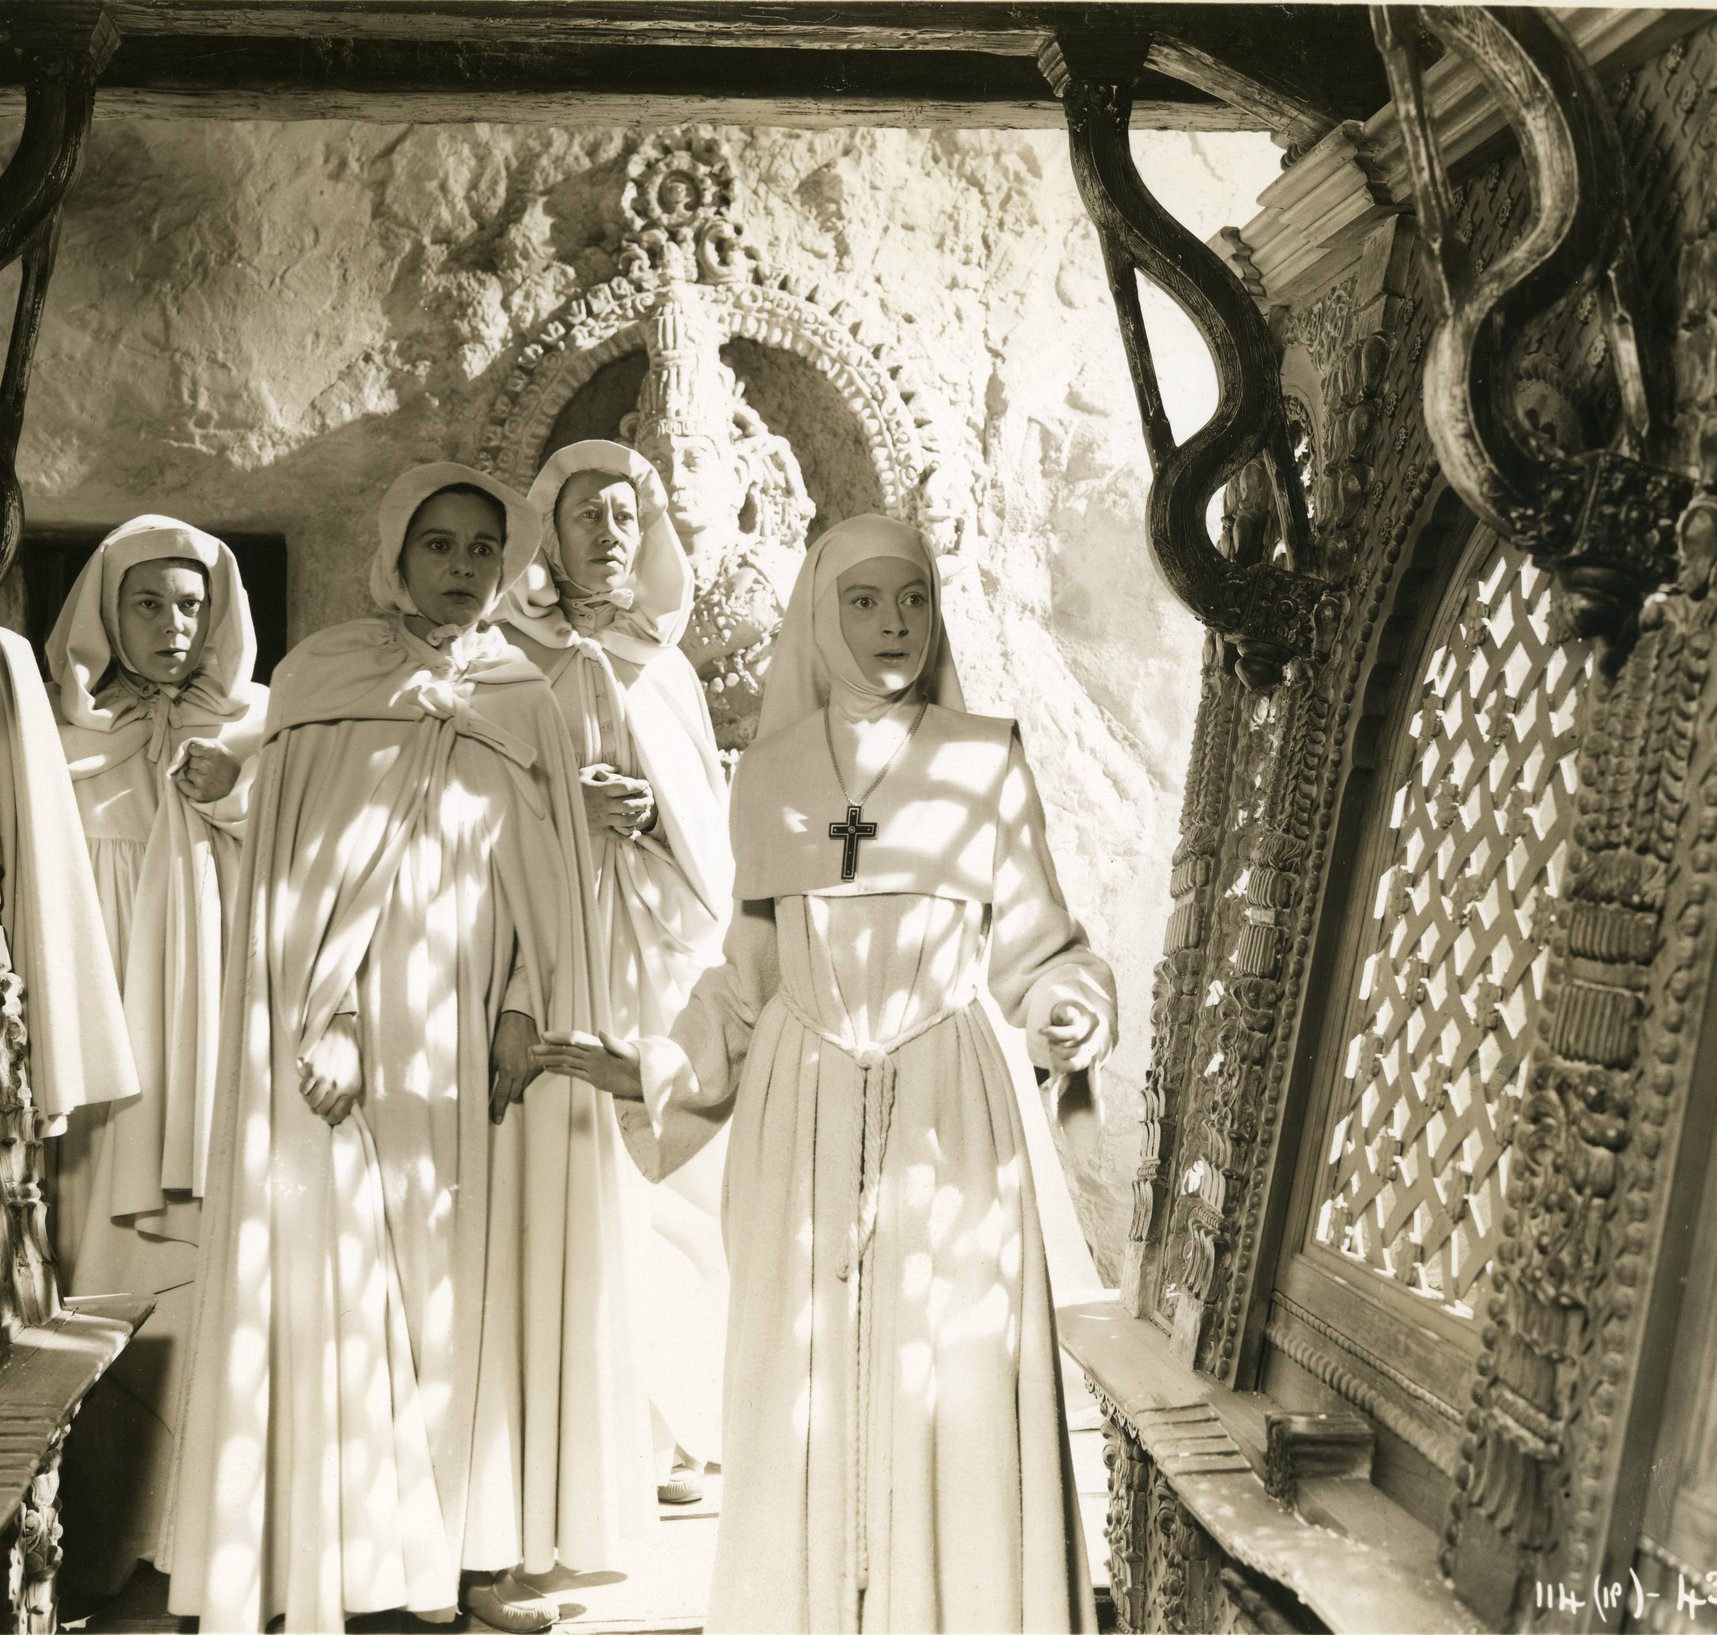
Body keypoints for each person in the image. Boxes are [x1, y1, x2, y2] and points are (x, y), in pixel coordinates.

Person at [537, 514, 1116, 1633]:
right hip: (801, 1113)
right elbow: (747, 978)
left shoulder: (982, 754)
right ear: (822, 616)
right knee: (799, 1389)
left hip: (948, 1106)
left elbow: (1039, 945)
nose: (891, 623)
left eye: (910, 599)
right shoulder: (773, 771)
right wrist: (654, 1066)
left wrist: (1065, 1005)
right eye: (863, 601)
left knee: (947, 1379)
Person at [166, 463, 650, 1635]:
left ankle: (470, 1555)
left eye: (483, 549)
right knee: (343, 1277)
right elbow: (298, 875)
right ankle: (348, 1552)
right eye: (438, 545)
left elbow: (547, 882)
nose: (461, 567)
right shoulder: (327, 678)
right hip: (345, 1043)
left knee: (466, 1282)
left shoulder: (522, 695)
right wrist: (320, 1018)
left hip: (466, 1038)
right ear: (396, 553)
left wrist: (526, 1009)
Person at [497, 439, 733, 1502]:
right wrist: (560, 815)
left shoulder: (663, 666)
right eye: (585, 514)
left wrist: (647, 823)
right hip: (548, 947)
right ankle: (587, 1438)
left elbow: (709, 835)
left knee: (660, 1165)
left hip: (649, 945)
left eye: (626, 516)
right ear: (547, 529)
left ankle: (683, 1428)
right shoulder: (505, 661)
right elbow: (478, 807)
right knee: (569, 1169)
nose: (607, 533)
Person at [42, 515, 269, 1598]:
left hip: (219, 1031)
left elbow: (298, 865)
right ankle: (101, 1530)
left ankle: (206, 1541)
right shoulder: (57, 737)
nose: (173, 627)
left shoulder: (261, 729)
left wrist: (227, 791)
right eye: (147, 604)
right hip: (108, 1046)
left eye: (191, 605)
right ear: (104, 611)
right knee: (101, 1254)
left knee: (217, 1258)